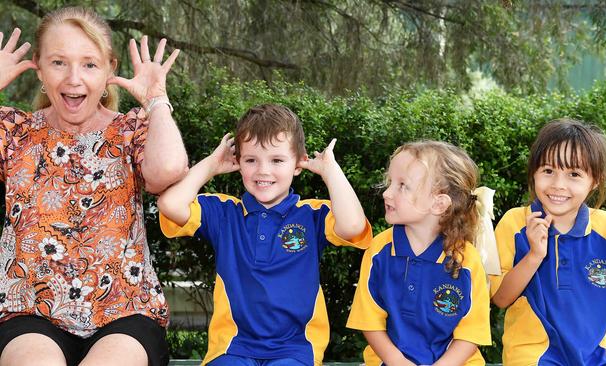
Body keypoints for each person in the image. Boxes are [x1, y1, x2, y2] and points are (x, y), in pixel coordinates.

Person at [0, 7, 187, 366]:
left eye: (89, 64)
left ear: (109, 71)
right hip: (28, 313)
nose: (74, 78)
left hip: (125, 313)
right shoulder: (15, 132)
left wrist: (156, 101)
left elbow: (168, 169)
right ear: (38, 68)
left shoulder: (130, 131)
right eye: (58, 62)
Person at [157, 104, 372, 366]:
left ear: (298, 163)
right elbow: (170, 204)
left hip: (295, 348)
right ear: (238, 163)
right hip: (232, 347)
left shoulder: (311, 215)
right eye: (251, 160)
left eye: (277, 160)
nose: (263, 171)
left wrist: (331, 172)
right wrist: (211, 165)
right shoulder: (225, 213)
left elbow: (352, 226)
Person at [490, 119, 606, 365]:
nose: (558, 185)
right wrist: (534, 255)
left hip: (604, 358)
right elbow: (500, 299)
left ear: (594, 181)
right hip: (534, 357)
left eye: (574, 174)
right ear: (534, 172)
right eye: (548, 170)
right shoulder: (515, 224)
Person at [346, 140, 492, 366]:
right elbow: (369, 321)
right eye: (390, 182)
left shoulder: (467, 261)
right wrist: (397, 362)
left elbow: (471, 333)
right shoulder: (379, 251)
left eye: (402, 185)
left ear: (439, 203)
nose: (387, 193)